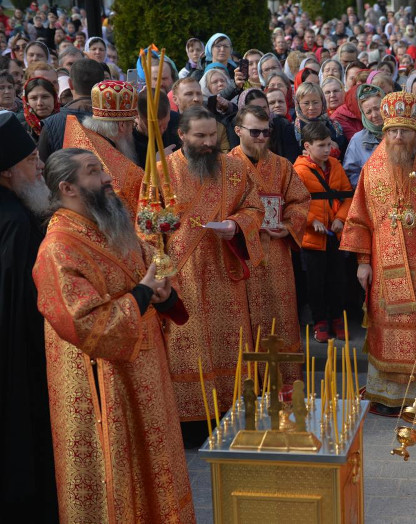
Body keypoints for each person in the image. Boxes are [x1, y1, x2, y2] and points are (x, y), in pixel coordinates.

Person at [33, 148, 195, 522]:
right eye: (93, 173)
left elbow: (149, 275)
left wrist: (163, 295)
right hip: (104, 384)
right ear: (68, 187)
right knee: (119, 480)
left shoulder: (111, 223)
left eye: (103, 170)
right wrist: (141, 294)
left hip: (147, 374)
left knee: (158, 470)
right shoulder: (58, 248)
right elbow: (83, 323)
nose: (107, 179)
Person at [340, 92, 416, 412]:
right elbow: (358, 217)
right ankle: (386, 393)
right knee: (385, 327)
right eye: (392, 130)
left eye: (404, 131)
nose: (397, 136)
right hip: (381, 264)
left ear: (415, 131)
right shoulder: (373, 167)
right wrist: (362, 262)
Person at [158, 106, 265, 429]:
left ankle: (232, 414)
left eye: (212, 136)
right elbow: (145, 225)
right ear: (182, 135)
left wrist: (235, 225)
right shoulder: (162, 172)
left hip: (223, 270)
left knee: (229, 346)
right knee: (186, 346)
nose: (208, 143)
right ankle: (191, 422)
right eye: (199, 136)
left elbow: (254, 207)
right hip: (181, 275)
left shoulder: (234, 169)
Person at [0, 114, 58, 523]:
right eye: (28, 160)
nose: (39, 166)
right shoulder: (16, 223)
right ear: (5, 172)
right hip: (15, 359)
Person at [229, 105, 310, 380]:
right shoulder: (226, 166)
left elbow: (300, 200)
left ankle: (284, 383)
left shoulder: (282, 165)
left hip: (275, 252)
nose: (262, 137)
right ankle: (249, 382)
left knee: (280, 317)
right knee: (245, 318)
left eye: (266, 132)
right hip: (241, 253)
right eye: (255, 132)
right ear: (238, 130)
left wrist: (288, 226)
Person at [294, 122, 353, 341]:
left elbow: (347, 196)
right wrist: (312, 221)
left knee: (338, 280)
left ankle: (337, 319)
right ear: (307, 146)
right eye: (321, 145)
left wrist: (340, 219)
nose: (327, 150)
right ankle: (320, 321)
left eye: (328, 144)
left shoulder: (336, 166)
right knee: (315, 282)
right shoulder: (298, 170)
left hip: (334, 235)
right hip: (312, 239)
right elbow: (294, 203)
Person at [62, 80, 143, 218]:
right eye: (131, 125)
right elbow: (129, 194)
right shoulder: (100, 152)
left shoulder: (83, 137)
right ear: (122, 126)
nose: (132, 130)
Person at [38, 58, 105, 161]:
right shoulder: (119, 121)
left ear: (70, 84)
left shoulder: (51, 124)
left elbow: (42, 167)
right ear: (102, 85)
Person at [343, 84, 385, 187]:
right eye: (368, 112)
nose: (374, 115)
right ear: (363, 114)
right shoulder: (358, 140)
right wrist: (368, 187)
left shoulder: (400, 132)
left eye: (377, 108)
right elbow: (351, 173)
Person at [19, 76, 59, 141]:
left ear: (54, 98)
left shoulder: (66, 123)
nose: (39, 103)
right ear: (26, 101)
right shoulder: (21, 130)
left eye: (45, 97)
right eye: (34, 98)